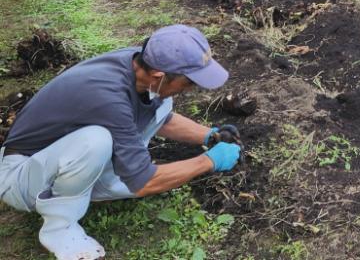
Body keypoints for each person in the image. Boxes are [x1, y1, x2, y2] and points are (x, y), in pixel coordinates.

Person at [0, 25, 242, 260]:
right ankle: (60, 229)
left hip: (54, 158)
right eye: (189, 82)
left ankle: (97, 183)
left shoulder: (138, 66)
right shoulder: (108, 97)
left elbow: (161, 118)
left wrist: (210, 135)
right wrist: (208, 161)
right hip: (19, 175)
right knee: (96, 141)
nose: (191, 89)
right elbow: (144, 181)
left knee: (162, 102)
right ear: (159, 76)